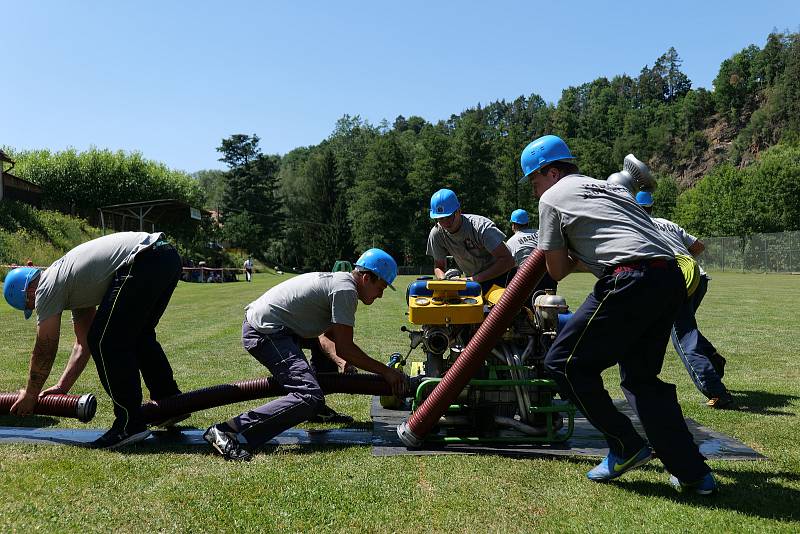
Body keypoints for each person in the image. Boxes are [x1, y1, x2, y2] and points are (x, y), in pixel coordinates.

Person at [520, 134, 716, 495]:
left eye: (533, 179)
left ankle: (625, 444)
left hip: (629, 278)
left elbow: (557, 269)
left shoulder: (551, 198)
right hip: (670, 276)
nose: (533, 189)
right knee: (642, 379)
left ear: (549, 172)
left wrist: (571, 255)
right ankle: (693, 474)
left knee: (564, 362)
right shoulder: (609, 190)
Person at [203, 248, 408, 461]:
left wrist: (342, 362)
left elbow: (326, 338)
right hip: (265, 333)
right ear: (366, 278)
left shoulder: (341, 283)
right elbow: (346, 348)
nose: (381, 294)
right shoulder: (345, 291)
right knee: (308, 395)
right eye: (381, 287)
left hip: (278, 327)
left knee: (312, 392)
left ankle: (316, 411)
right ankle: (228, 431)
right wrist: (387, 373)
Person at [3, 232, 185, 449]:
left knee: (108, 340)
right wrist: (62, 386)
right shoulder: (73, 284)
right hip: (165, 256)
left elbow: (45, 347)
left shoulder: (46, 287)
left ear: (29, 292)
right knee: (137, 335)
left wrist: (31, 393)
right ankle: (169, 404)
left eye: (30, 306)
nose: (36, 309)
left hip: (143, 259)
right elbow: (84, 344)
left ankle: (129, 424)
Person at [635, 191, 732, 408]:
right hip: (698, 277)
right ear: (651, 207)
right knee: (686, 326)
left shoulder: (637, 225)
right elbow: (698, 246)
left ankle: (716, 391)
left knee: (682, 335)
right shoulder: (667, 223)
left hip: (676, 281)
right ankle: (713, 358)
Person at [426, 188, 515, 294]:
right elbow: (439, 267)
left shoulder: (481, 227)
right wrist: (445, 280)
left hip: (504, 278)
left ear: (458, 211)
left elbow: (508, 260)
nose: (445, 223)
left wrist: (473, 279)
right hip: (474, 283)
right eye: (440, 218)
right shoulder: (436, 234)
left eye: (448, 217)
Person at [505, 209, 558, 293]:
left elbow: (508, 266)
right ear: (527, 223)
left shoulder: (511, 242)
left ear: (513, 225)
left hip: (528, 280)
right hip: (549, 277)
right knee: (549, 304)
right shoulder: (540, 233)